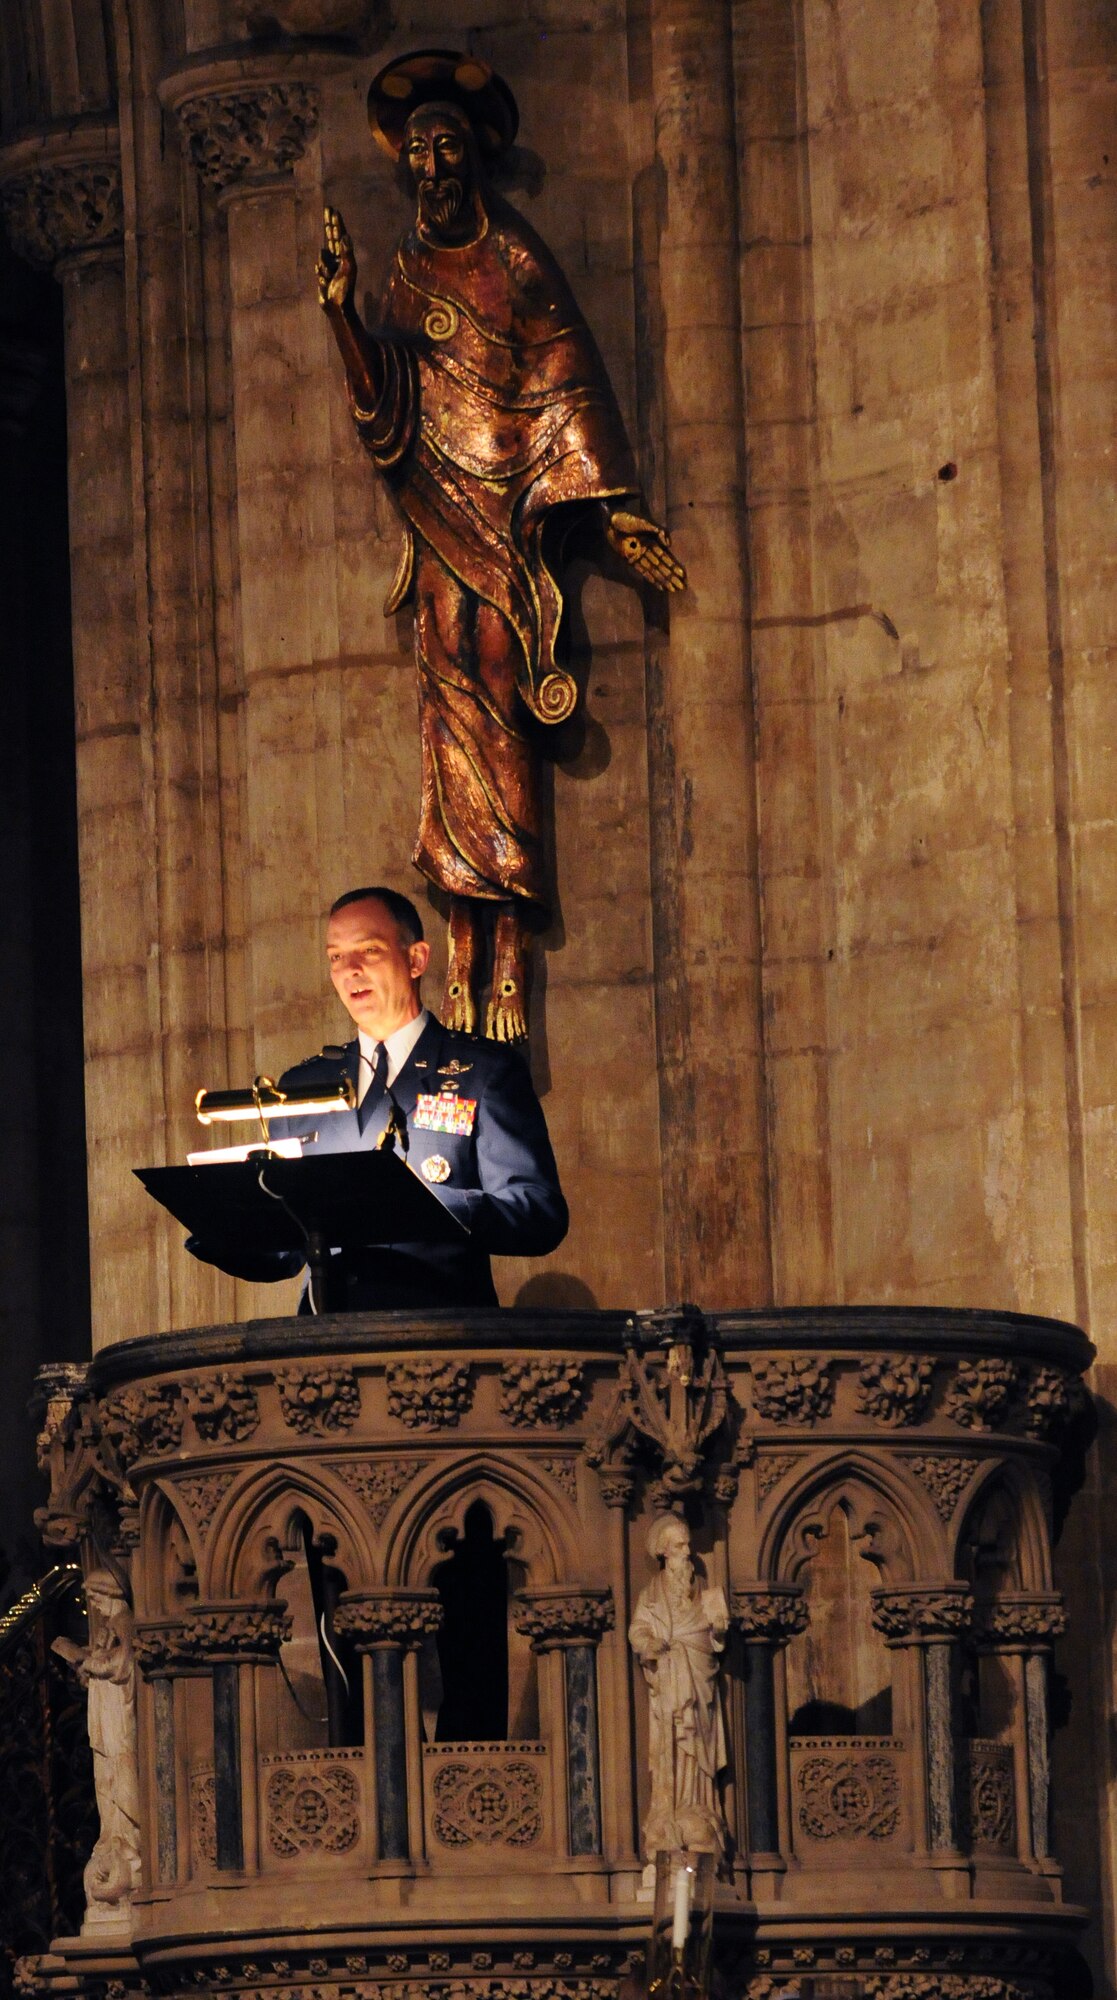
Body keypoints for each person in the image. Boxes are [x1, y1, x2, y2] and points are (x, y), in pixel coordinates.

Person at [316, 50, 685, 1042]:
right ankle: (463, 953)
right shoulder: (402, 274)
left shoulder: (514, 255)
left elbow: (566, 376)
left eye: (447, 148)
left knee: (505, 706)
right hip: (437, 521)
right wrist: (341, 312)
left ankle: (506, 953)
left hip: (511, 520)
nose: (433, 167)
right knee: (450, 733)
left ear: (474, 156)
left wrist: (612, 510)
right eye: (419, 153)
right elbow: (384, 409)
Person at [188, 886, 567, 1310]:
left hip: (440, 1328)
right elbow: (283, 1253)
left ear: (416, 959)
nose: (349, 970)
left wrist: (426, 1206)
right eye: (336, 957)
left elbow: (537, 1214)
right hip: (325, 1335)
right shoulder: (303, 1087)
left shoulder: (483, 1071)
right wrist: (220, 1223)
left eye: (368, 950)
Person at [628, 1515, 729, 1861]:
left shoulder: (705, 1592)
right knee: (671, 1745)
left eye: (687, 1545)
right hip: (670, 1681)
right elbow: (638, 1631)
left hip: (699, 1681)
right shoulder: (650, 1596)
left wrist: (718, 1630)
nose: (687, 1552)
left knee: (697, 1746)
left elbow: (715, 1639)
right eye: (679, 1546)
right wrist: (650, 1645)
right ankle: (668, 1812)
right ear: (664, 1552)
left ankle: (698, 1806)